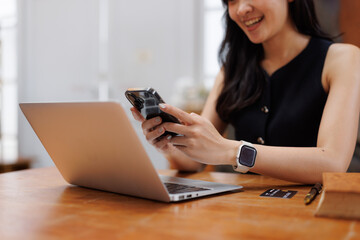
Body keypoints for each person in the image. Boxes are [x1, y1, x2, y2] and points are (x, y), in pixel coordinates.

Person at [131, 0, 360, 184]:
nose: (241, 9)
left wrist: (231, 151)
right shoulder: (231, 69)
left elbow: (331, 163)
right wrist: (169, 142)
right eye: (231, 0)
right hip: (244, 212)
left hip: (312, 211)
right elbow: (193, 163)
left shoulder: (342, 59)